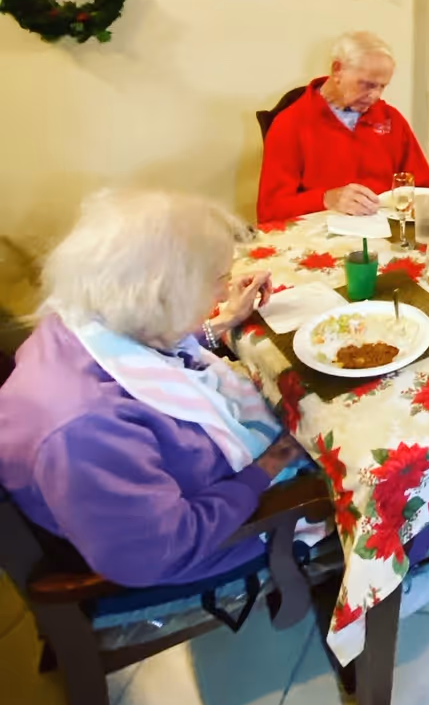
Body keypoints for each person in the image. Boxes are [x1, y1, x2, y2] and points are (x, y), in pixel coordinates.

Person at [0, 190, 301, 587]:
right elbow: (159, 555)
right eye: (218, 279)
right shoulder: (85, 430)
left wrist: (221, 321)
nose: (222, 290)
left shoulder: (85, 313)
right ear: (159, 295)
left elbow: (141, 347)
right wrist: (266, 469)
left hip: (146, 507)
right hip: (190, 545)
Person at [257, 30, 429, 222]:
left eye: (382, 86)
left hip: (385, 230)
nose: (375, 96)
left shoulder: (390, 119)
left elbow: (425, 188)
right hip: (322, 237)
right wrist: (325, 199)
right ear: (337, 70)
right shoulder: (291, 123)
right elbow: (270, 211)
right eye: (366, 84)